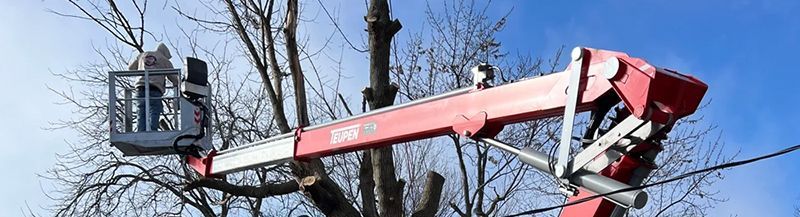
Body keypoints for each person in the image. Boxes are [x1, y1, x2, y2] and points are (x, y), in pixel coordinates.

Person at [128, 43, 180, 132]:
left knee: (141, 110)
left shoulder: (142, 55)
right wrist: (177, 86)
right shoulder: (165, 60)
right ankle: (152, 130)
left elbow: (131, 68)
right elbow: (174, 78)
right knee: (154, 110)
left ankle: (141, 131)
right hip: (155, 88)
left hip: (140, 87)